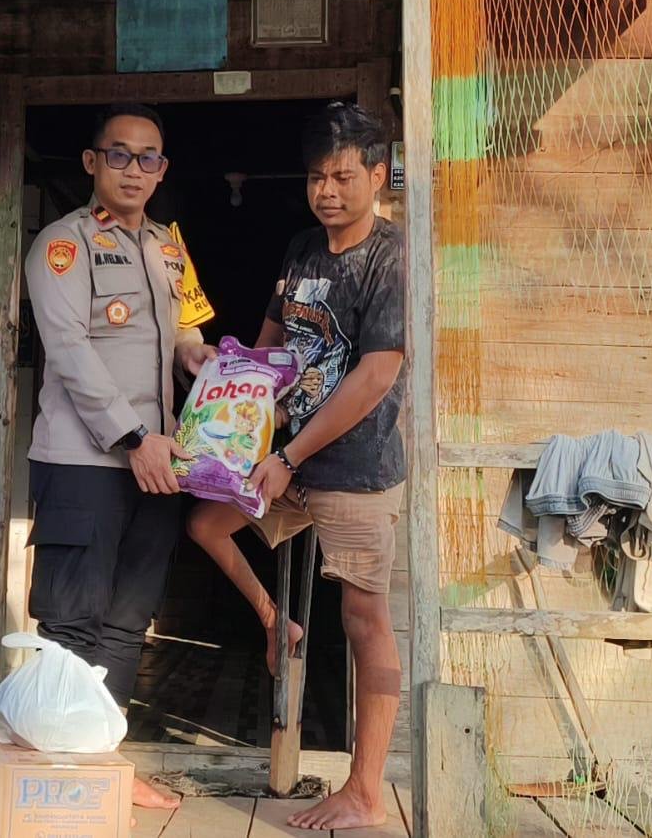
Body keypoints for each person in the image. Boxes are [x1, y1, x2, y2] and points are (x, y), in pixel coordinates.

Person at [185, 102, 406, 831]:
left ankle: (364, 790)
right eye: (316, 177)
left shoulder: (393, 256)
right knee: (206, 522)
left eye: (343, 176)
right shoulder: (300, 249)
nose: (328, 190)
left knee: (364, 617)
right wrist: (231, 413)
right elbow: (270, 343)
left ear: (376, 176)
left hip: (352, 464)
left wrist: (285, 454)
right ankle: (277, 621)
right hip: (285, 455)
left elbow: (375, 375)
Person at [23, 103, 218, 811]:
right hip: (85, 463)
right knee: (72, 622)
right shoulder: (59, 246)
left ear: (162, 169)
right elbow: (71, 352)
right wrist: (133, 439)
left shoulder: (169, 247)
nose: (134, 169)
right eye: (119, 154)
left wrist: (205, 359)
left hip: (159, 462)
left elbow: (184, 334)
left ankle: (101, 757)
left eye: (148, 158)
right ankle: (55, 770)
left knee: (127, 622)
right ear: (91, 162)